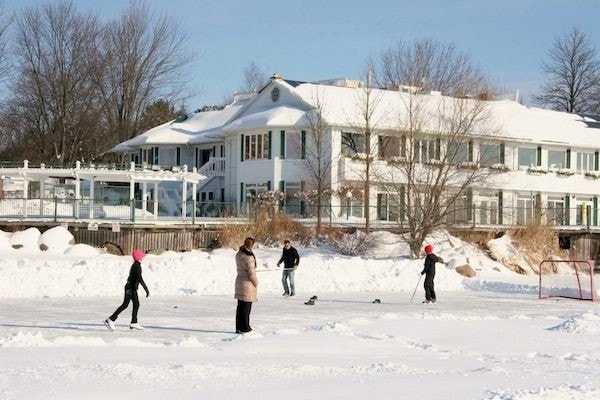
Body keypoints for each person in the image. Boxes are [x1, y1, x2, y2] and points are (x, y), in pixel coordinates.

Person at [104, 249, 150, 331]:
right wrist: (146, 288)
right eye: (142, 256)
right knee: (126, 305)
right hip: (130, 288)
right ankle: (111, 319)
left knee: (136, 304)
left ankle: (134, 322)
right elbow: (140, 278)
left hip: (131, 288)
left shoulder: (136, 265)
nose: (143, 258)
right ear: (139, 257)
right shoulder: (137, 266)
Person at [235, 237, 258, 334]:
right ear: (251, 245)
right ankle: (245, 327)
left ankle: (239, 327)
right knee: (246, 307)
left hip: (240, 280)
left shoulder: (239, 253)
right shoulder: (249, 256)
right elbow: (251, 273)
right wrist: (256, 282)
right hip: (247, 284)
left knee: (240, 306)